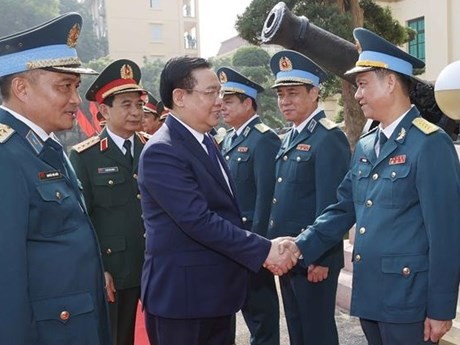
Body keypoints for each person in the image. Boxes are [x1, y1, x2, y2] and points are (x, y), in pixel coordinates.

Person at [276, 28, 460, 345]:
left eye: (362, 84)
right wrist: (299, 245)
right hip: (372, 295)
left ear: (390, 82)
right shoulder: (366, 144)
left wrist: (441, 308)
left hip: (408, 301)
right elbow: (343, 207)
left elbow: (446, 234)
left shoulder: (430, 144)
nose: (357, 94)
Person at [137, 56, 297, 345]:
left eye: (220, 93)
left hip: (213, 297)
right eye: (210, 92)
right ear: (180, 97)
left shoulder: (205, 140)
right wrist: (265, 250)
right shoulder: (163, 151)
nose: (219, 101)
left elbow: (226, 212)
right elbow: (198, 220)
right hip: (183, 303)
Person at [0, 13, 111, 344]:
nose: (76, 100)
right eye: (64, 86)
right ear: (21, 88)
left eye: (76, 87)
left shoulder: (45, 147)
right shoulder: (6, 156)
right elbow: (7, 278)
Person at [266, 50, 351, 345]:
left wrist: (321, 259)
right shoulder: (290, 136)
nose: (285, 101)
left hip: (313, 257)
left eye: (293, 93)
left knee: (317, 333)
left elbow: (333, 205)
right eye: (280, 94)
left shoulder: (328, 137)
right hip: (289, 255)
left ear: (314, 92)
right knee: (298, 331)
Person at [69, 59, 149, 345]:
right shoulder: (85, 157)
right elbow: (84, 217)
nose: (135, 111)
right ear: (104, 110)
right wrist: (99, 268)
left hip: (158, 264)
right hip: (117, 269)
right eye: (126, 105)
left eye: (138, 104)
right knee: (119, 337)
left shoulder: (154, 149)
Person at [218, 66, 281, 345]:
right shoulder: (229, 138)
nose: (222, 106)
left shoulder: (263, 139)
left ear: (248, 103)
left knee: (262, 320)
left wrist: (259, 246)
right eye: (222, 100)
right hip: (233, 242)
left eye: (229, 101)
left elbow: (266, 197)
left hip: (252, 244)